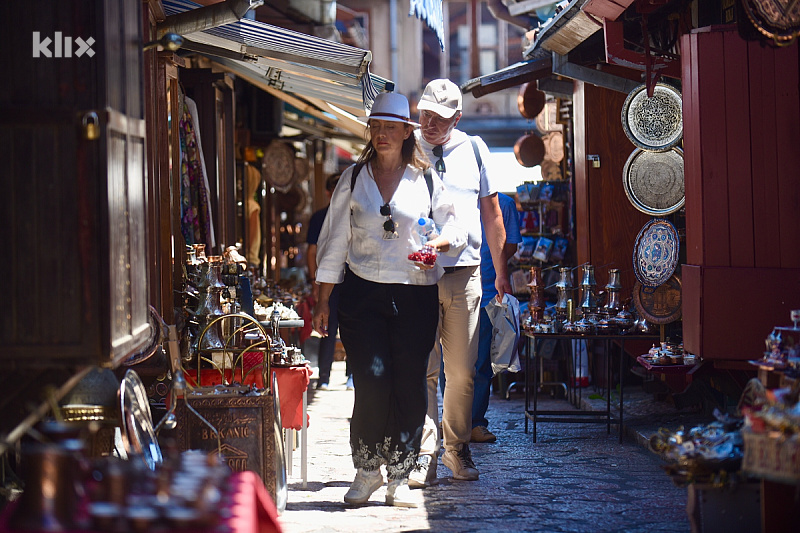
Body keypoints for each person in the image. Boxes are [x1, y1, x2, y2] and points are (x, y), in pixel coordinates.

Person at [312, 92, 466, 508]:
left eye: (390, 127)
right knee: (370, 381)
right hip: (362, 294)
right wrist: (323, 300)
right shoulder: (353, 178)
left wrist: (437, 244)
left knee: (409, 382)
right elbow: (334, 242)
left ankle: (400, 472)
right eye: (376, 126)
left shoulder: (427, 176)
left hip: (415, 294)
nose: (382, 134)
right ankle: (366, 470)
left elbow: (456, 229)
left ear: (405, 132)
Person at [410, 78, 510, 487]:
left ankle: (457, 447)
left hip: (464, 273)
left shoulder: (475, 149)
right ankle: (424, 454)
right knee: (423, 369)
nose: (430, 124)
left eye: (440, 117)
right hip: (415, 276)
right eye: (425, 115)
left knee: (463, 372)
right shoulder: (407, 145)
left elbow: (492, 214)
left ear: (457, 118)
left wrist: (501, 271)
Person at [471, 192, 522, 443]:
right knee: (451, 363)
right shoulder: (453, 195)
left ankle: (475, 422)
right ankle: (455, 420)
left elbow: (510, 245)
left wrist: (495, 266)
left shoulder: (505, 204)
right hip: (454, 289)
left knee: (481, 362)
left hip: (490, 291)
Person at [306, 173, 353, 390]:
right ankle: (324, 376)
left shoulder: (354, 214)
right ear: (328, 192)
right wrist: (316, 281)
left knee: (352, 327)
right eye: (335, 189)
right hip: (328, 280)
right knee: (328, 327)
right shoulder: (319, 217)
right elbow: (312, 250)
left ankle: (352, 376)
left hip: (352, 278)